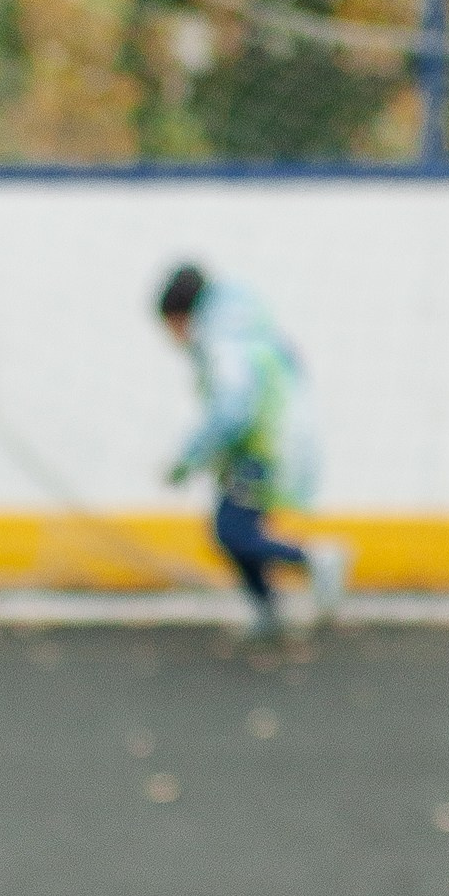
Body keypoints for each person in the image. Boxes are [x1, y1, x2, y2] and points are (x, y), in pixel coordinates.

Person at [159, 261, 350, 636]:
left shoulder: (222, 340)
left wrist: (190, 457)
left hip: (261, 449)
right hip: (268, 443)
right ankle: (268, 610)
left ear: (181, 316)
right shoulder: (241, 327)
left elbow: (233, 409)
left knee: (232, 531)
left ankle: (314, 560)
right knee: (234, 529)